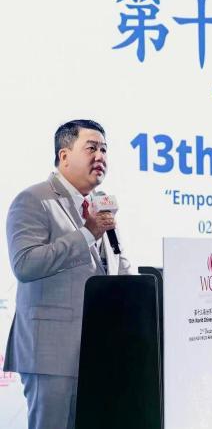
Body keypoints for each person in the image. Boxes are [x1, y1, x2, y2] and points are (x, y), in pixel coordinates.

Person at [3, 119, 131, 429]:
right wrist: (87, 233)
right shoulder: (34, 200)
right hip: (52, 354)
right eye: (91, 148)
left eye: (104, 149)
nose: (100, 156)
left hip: (98, 350)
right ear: (64, 155)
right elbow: (25, 264)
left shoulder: (100, 207)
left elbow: (113, 266)